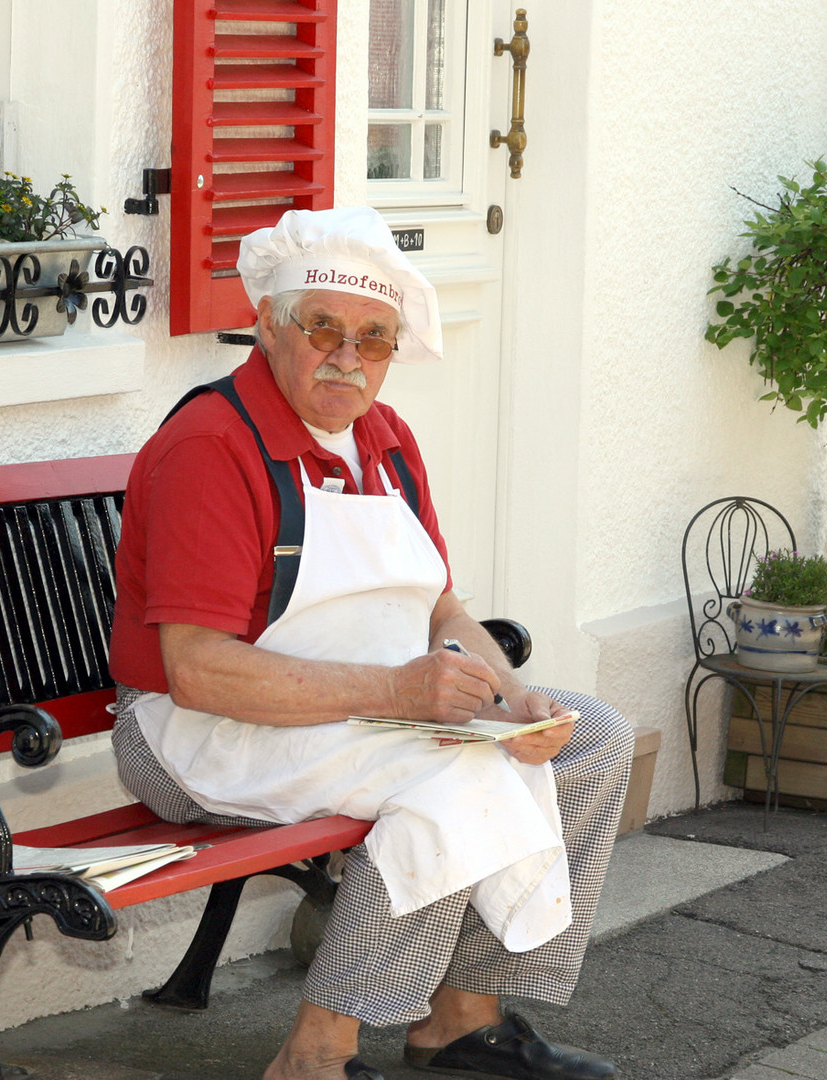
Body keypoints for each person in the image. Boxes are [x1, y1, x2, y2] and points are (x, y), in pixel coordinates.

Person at [107, 206, 633, 1080]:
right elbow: (194, 673)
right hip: (192, 732)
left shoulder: (385, 441)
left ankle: (461, 1019)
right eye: (324, 329)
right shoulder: (211, 446)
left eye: (375, 338)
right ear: (272, 326)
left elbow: (441, 610)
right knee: (452, 776)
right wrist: (397, 696)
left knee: (590, 739)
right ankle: (317, 1054)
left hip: (358, 712)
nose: (348, 357)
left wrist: (511, 699)